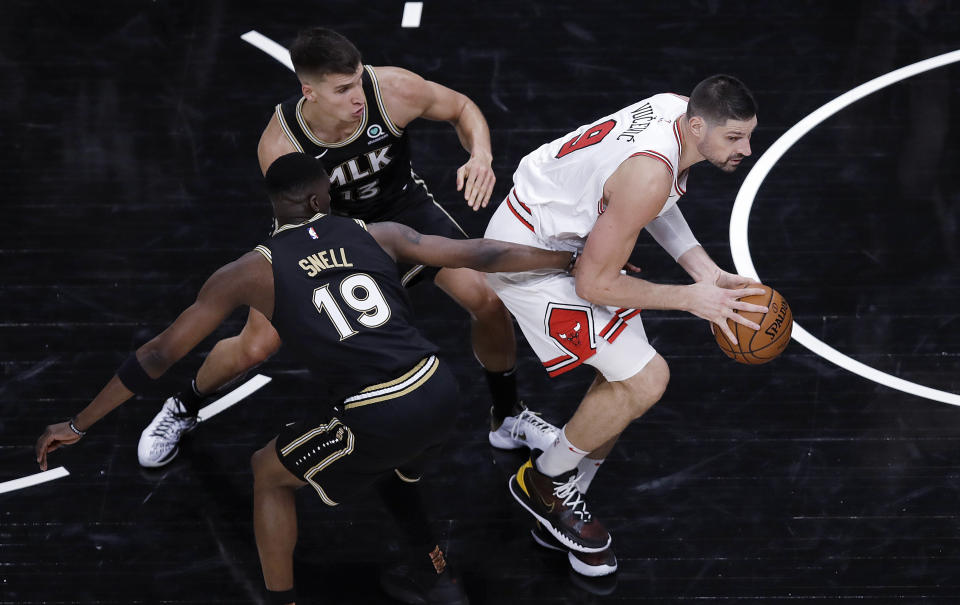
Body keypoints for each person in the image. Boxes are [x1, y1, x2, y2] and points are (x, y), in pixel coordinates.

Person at [35, 153, 574, 605]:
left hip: (379, 408)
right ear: (321, 201)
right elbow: (483, 252)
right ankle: (435, 572)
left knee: (267, 473)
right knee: (396, 470)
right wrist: (569, 260)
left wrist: (80, 424)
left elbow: (157, 354)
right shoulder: (378, 231)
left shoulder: (247, 271)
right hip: (438, 386)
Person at [136, 27, 558, 468]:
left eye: (357, 81)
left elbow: (461, 108)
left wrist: (481, 155)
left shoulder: (391, 90)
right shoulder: (282, 147)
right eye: (341, 90)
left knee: (487, 299)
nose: (357, 97)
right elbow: (301, 228)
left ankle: (508, 416)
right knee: (256, 345)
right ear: (309, 92)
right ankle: (183, 406)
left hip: (405, 211)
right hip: (328, 231)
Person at [482, 75, 768, 577]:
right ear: (698, 124)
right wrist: (691, 298)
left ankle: (566, 494)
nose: (746, 148)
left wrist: (707, 272)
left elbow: (652, 205)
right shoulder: (649, 173)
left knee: (626, 379)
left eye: (749, 135)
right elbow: (595, 283)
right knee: (645, 378)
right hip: (528, 260)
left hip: (562, 237)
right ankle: (544, 482)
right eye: (734, 138)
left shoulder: (673, 109)